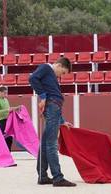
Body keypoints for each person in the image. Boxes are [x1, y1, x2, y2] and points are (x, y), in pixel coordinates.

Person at [29, 57, 76, 187]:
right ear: (59, 65)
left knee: (45, 143)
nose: (62, 75)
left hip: (53, 108)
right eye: (63, 72)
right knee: (51, 144)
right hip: (52, 107)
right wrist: (43, 96)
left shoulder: (50, 74)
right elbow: (32, 78)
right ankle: (58, 177)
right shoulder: (46, 68)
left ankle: (43, 176)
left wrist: (62, 121)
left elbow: (55, 102)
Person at [0, 86, 20, 151]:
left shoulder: (6, 100)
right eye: (4, 93)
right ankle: (4, 154)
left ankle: (9, 153)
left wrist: (15, 108)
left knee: (9, 138)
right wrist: (8, 110)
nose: (6, 95)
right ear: (0, 92)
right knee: (3, 138)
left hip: (8, 121)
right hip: (2, 121)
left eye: (6, 93)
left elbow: (8, 109)